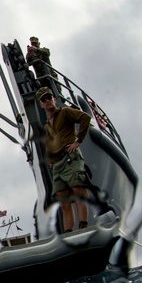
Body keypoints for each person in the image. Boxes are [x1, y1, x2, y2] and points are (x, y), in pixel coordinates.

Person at [38, 86, 92, 232]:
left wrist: (78, 141)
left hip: (70, 158)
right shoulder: (47, 126)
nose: (47, 100)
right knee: (63, 202)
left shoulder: (65, 112)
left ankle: (83, 226)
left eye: (49, 97)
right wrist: (50, 158)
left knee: (78, 190)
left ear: (54, 99)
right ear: (41, 104)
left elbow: (85, 118)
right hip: (58, 164)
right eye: (43, 99)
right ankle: (68, 233)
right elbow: (49, 142)